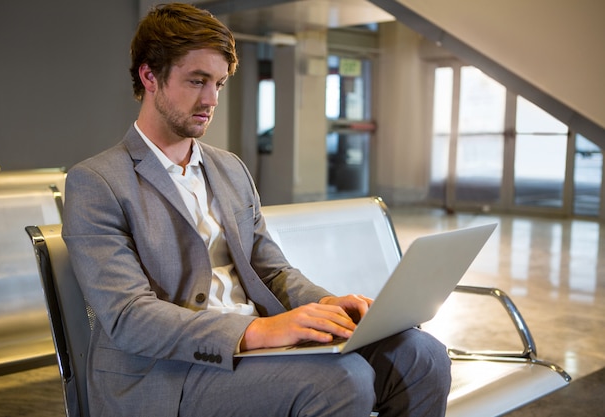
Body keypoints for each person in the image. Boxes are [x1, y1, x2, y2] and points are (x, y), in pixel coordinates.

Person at [62, 3, 451, 416]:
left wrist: (330, 308)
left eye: (219, 84)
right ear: (149, 76)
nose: (210, 99)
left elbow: (272, 271)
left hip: (257, 349)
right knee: (342, 380)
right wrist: (257, 330)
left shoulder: (229, 168)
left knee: (421, 356)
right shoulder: (97, 182)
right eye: (197, 80)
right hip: (166, 374)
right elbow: (129, 316)